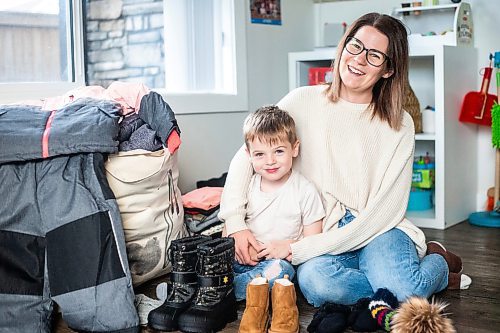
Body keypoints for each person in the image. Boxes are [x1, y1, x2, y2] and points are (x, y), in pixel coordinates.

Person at [219, 12, 469, 308]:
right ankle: (394, 276)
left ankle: (436, 262)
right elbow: (245, 156)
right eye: (355, 46)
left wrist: (298, 248)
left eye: (375, 55)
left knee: (404, 293)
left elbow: (383, 213)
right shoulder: (302, 100)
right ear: (343, 46)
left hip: (379, 229)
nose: (359, 59)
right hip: (326, 228)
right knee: (317, 284)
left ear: (388, 70)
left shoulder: (400, 124)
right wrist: (235, 223)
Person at [222, 105, 324, 301]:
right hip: (240, 259)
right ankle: (209, 283)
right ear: (249, 154)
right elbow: (229, 228)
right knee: (212, 255)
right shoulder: (248, 186)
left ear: (294, 149)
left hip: (274, 263)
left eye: (278, 151)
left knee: (283, 271)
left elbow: (314, 241)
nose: (270, 161)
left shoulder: (305, 190)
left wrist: (289, 246)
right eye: (260, 154)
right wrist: (237, 246)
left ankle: (226, 293)